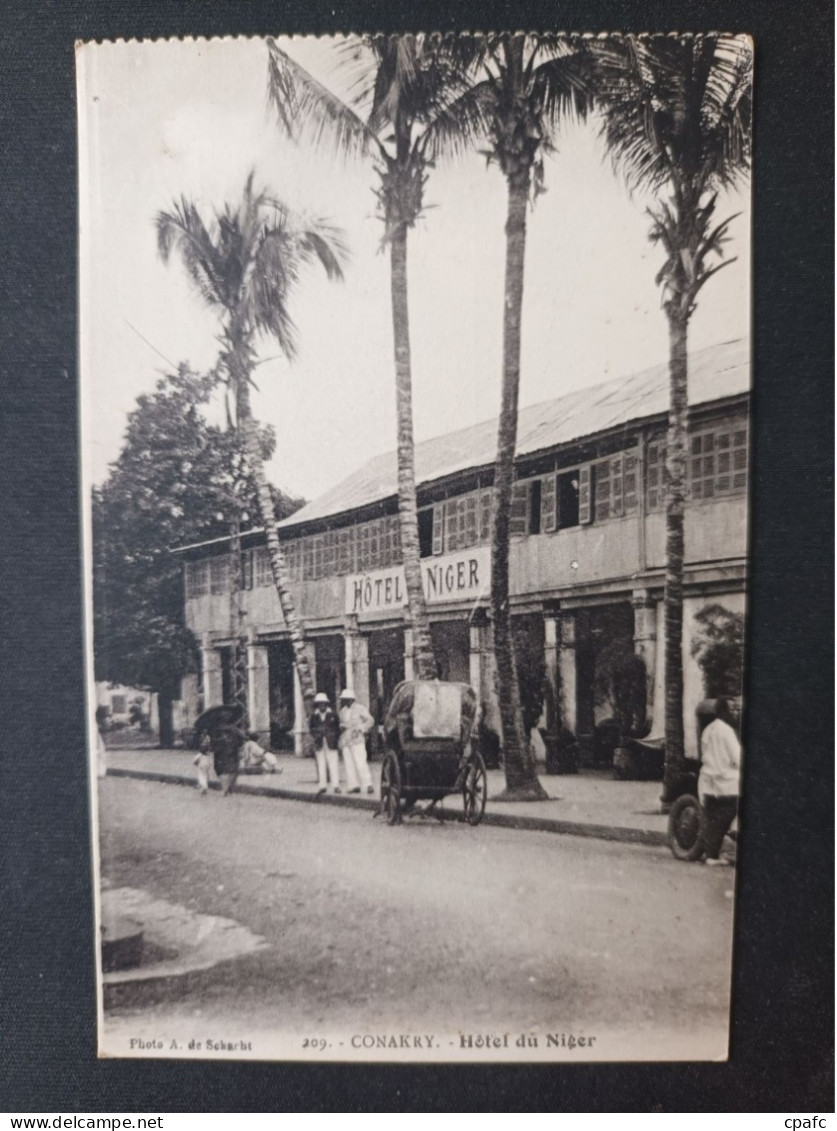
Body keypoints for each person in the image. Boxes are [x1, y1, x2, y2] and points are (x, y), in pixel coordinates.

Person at [698, 698, 742, 865]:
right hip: (726, 783)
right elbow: (737, 758)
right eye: (732, 710)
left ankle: (712, 854)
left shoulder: (708, 730)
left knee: (713, 819)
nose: (734, 713)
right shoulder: (727, 731)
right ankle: (713, 855)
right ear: (723, 712)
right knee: (724, 817)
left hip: (708, 781)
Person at [338, 688, 375, 795]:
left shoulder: (360, 709)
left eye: (347, 699)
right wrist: (342, 726)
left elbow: (370, 720)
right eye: (344, 699)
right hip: (346, 740)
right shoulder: (342, 711)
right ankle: (353, 785)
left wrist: (360, 728)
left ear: (352, 699)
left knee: (361, 763)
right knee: (349, 764)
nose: (345, 701)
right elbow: (342, 723)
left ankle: (368, 784)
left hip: (357, 739)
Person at [309, 692, 340, 794]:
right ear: (317, 705)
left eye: (323, 703)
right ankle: (322, 786)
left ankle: (336, 786)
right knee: (321, 764)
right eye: (319, 704)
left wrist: (333, 736)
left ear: (326, 704)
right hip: (319, 742)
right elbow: (311, 729)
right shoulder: (314, 716)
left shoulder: (333, 714)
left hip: (331, 742)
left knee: (333, 764)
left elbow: (337, 728)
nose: (322, 706)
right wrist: (317, 735)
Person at [210, 722, 245, 796]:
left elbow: (213, 748)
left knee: (225, 773)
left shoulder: (218, 732)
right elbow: (242, 740)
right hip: (228, 758)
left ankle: (226, 789)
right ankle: (227, 789)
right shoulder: (233, 730)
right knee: (229, 772)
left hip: (225, 758)